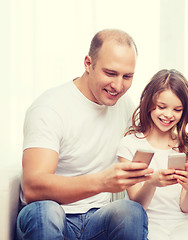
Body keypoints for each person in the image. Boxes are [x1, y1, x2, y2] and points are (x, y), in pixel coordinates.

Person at [16, 29, 154, 240]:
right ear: (88, 63)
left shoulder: (124, 105)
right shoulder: (50, 107)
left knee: (131, 212)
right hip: (53, 215)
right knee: (45, 212)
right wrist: (102, 182)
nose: (118, 86)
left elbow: (156, 135)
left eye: (127, 76)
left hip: (97, 219)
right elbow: (34, 187)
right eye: (110, 73)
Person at [117, 69, 188, 240]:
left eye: (177, 109)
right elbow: (137, 207)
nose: (168, 115)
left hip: (183, 223)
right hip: (146, 223)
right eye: (162, 107)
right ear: (148, 104)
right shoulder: (130, 144)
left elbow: (186, 208)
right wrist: (152, 183)